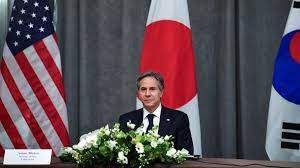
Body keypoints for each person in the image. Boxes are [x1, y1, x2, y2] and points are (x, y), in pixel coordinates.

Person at [119, 71, 194, 154]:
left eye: (152, 89)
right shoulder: (126, 119)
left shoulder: (179, 119)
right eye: (143, 89)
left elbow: (186, 155)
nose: (147, 94)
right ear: (138, 94)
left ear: (161, 92)